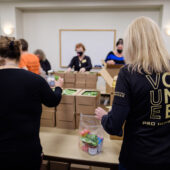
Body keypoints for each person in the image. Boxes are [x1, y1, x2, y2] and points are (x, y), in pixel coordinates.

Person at [95, 17, 170, 170]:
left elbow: (114, 126)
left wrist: (104, 117)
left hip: (137, 158)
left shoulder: (128, 73)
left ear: (132, 43)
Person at [0, 36, 63, 170]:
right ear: (19, 55)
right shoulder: (35, 80)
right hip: (28, 153)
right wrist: (58, 87)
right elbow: (53, 101)